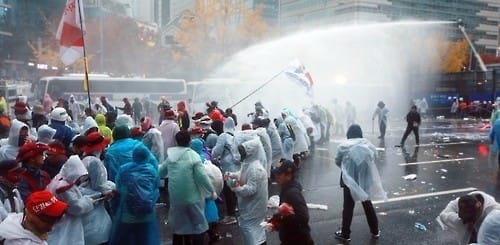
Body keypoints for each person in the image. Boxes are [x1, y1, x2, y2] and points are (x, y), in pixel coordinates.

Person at [159, 131, 215, 245]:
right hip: (193, 198)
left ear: (176, 141)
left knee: (178, 227)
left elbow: (160, 172)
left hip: (176, 198)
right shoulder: (193, 156)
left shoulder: (171, 156)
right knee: (198, 226)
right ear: (189, 141)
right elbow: (202, 177)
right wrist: (212, 191)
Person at [334, 124, 385, 241]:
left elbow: (337, 161)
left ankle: (345, 234)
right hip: (364, 179)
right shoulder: (369, 145)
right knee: (367, 205)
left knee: (348, 207)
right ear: (360, 133)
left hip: (348, 181)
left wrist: (347, 168)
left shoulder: (343, 146)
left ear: (349, 134)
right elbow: (374, 159)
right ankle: (375, 231)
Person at [110, 145, 159, 245]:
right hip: (146, 214)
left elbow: (118, 187)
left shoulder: (124, 169)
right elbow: (155, 188)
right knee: (143, 240)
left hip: (127, 215)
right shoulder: (152, 170)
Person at [226, 138, 268, 245]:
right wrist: (232, 175)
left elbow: (251, 189)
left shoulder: (255, 169)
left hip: (254, 208)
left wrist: (236, 189)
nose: (241, 155)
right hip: (250, 206)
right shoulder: (249, 164)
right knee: (255, 232)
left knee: (251, 232)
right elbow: (242, 173)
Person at [45, 155, 95, 245]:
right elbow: (76, 208)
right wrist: (89, 201)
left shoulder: (60, 179)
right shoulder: (64, 188)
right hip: (66, 223)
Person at [268, 159, 313, 244]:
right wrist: (277, 221)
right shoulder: (285, 188)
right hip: (290, 238)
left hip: (298, 240)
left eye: (279, 174)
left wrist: (285, 217)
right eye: (276, 173)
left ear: (288, 176)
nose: (276, 176)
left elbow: (304, 217)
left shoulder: (292, 193)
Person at [0, 190, 67, 245]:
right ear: (31, 217)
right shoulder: (21, 242)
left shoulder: (16, 222)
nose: (53, 223)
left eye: (57, 217)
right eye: (49, 219)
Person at [211, 117, 239, 225]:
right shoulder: (236, 135)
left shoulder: (223, 136)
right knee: (235, 189)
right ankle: (235, 209)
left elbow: (217, 151)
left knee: (228, 191)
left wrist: (212, 154)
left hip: (227, 167)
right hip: (237, 166)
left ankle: (231, 216)